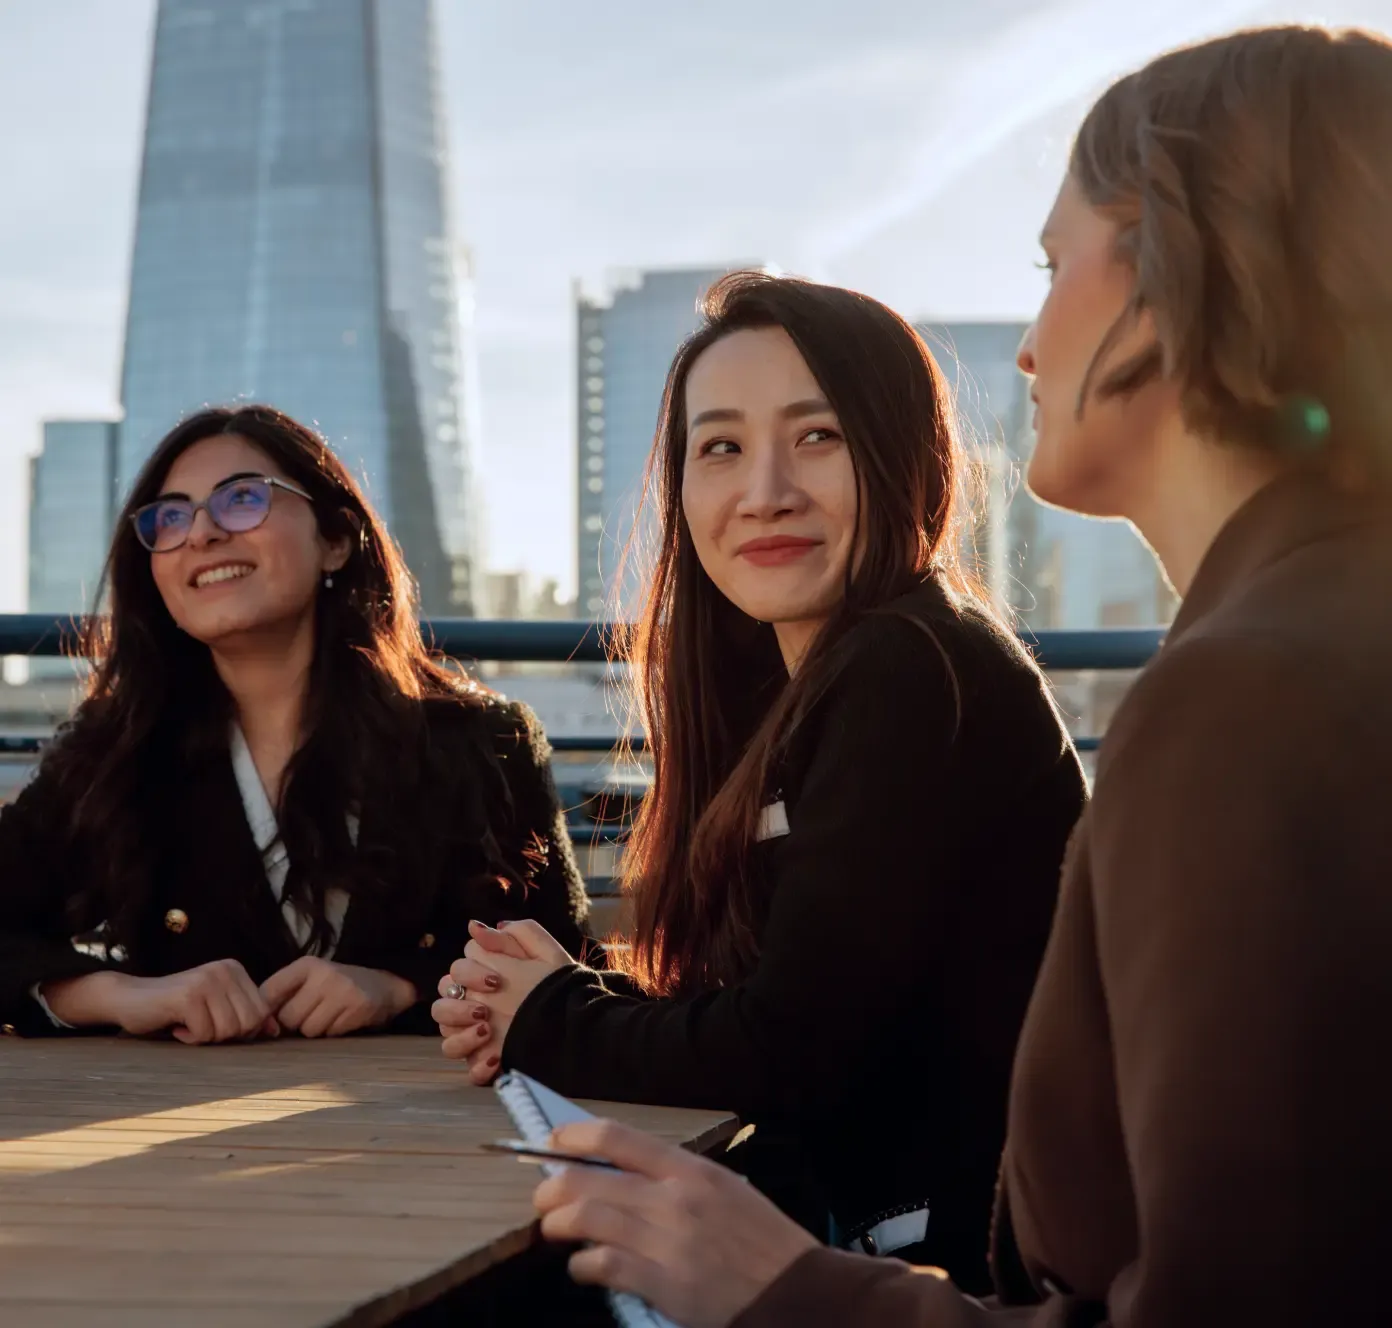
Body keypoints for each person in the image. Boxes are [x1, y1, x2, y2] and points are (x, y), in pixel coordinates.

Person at [511, 24, 1392, 1328]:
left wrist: (799, 1293)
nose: (1029, 349)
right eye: (718, 448)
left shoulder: (1239, 704)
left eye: (1053, 271)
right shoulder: (1316, 635)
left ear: (1169, 282)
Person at [434, 272, 1087, 1290]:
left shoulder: (911, 665)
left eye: (817, 435)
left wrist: (554, 1016)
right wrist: (555, 997)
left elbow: (793, 1045)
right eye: (722, 447)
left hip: (962, 1274)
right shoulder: (809, 682)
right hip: (874, 1234)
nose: (765, 489)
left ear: (905, 458)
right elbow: (799, 997)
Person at [0, 405, 588, 1044]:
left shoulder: (481, 741)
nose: (200, 534)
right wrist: (116, 995)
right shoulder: (111, 752)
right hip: (168, 1124)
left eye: (243, 499)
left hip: (424, 1124)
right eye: (170, 516)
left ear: (335, 540)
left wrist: (402, 989)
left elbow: (567, 972)